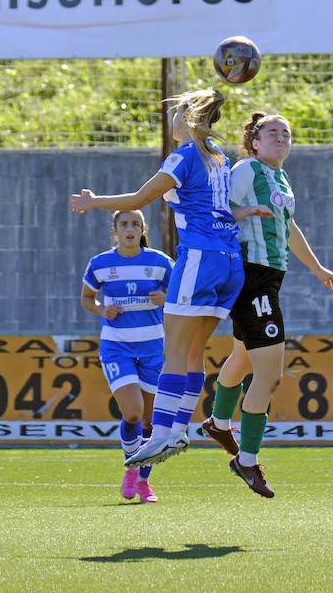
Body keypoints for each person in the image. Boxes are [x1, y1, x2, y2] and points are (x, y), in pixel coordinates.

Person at [71, 88, 271, 469]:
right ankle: (179, 428)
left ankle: (162, 432)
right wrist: (246, 211)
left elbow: (138, 199)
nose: (171, 120)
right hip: (229, 263)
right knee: (195, 351)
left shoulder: (183, 156)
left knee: (176, 351)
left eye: (176, 113)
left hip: (199, 258)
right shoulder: (219, 156)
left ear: (186, 119)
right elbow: (221, 208)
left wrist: (95, 201)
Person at [199, 112, 333, 498]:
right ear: (254, 142)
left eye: (286, 133)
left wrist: (316, 267)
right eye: (271, 132)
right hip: (252, 276)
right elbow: (213, 211)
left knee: (242, 360)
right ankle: (246, 459)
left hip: (269, 278)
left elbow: (289, 227)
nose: (281, 137)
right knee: (271, 375)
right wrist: (245, 212)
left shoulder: (281, 179)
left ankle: (217, 422)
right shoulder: (247, 170)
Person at [80, 208, 173, 503]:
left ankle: (144, 481)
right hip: (117, 346)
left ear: (143, 229)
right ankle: (131, 468)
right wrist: (100, 309)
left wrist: (166, 299)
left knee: (148, 420)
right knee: (132, 412)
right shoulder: (100, 264)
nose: (130, 229)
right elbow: (86, 297)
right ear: (115, 230)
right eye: (124, 224)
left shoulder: (160, 262)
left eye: (135, 224)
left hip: (153, 349)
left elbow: (182, 297)